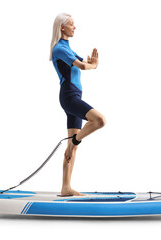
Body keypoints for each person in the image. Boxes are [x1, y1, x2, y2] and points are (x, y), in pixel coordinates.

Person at [50, 13, 106, 196]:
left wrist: (92, 62)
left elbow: (84, 61)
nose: (75, 27)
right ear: (62, 28)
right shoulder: (59, 49)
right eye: (72, 24)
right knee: (99, 120)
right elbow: (83, 66)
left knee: (72, 147)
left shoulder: (68, 48)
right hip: (69, 97)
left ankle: (66, 187)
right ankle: (74, 141)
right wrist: (94, 65)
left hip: (74, 95)